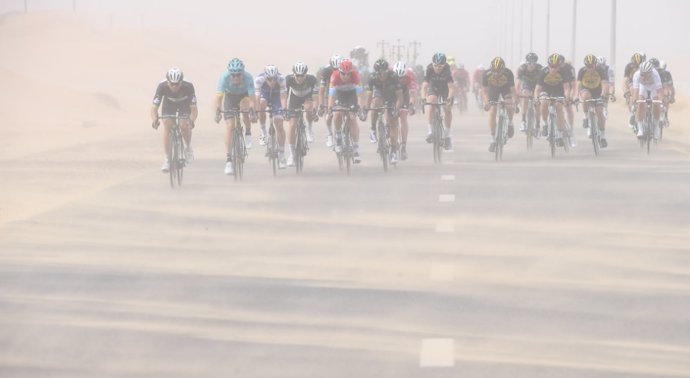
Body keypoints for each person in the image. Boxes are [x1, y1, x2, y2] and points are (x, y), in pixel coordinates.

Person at [214, 58, 257, 175]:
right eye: (233, 75)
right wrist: (217, 111)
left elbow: (253, 98)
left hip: (244, 96)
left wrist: (252, 110)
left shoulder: (248, 77)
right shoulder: (224, 78)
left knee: (245, 109)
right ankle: (229, 160)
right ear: (230, 74)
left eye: (238, 75)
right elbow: (218, 98)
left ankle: (248, 132)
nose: (236, 78)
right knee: (230, 126)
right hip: (230, 97)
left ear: (242, 73)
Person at [151, 67, 198, 172]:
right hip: (169, 103)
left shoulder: (188, 86)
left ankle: (188, 148)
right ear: (168, 81)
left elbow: (194, 110)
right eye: (172, 83)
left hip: (184, 103)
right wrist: (155, 119)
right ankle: (167, 159)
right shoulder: (162, 86)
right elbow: (154, 108)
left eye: (177, 83)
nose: (174, 86)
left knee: (183, 125)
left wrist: (191, 120)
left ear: (181, 81)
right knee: (167, 124)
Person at [364, 58, 403, 164]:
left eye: (384, 73)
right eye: (379, 73)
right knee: (376, 102)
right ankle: (373, 129)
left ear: (387, 71)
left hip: (391, 95)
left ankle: (394, 151)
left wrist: (396, 108)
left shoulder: (393, 76)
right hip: (379, 93)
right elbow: (368, 96)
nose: (382, 76)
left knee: (392, 122)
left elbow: (399, 96)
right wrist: (366, 110)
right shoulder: (372, 78)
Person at [328, 58, 364, 163]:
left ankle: (356, 149)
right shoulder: (334, 77)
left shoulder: (356, 76)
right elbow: (331, 96)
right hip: (340, 95)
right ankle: (338, 137)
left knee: (352, 118)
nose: (345, 76)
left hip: (352, 95)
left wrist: (360, 107)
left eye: (348, 74)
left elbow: (360, 95)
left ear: (351, 73)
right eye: (343, 74)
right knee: (337, 113)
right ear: (339, 72)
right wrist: (330, 108)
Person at [285, 62, 319, 166]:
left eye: (302, 76)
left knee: (309, 108)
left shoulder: (312, 79)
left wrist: (314, 110)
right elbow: (284, 96)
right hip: (294, 99)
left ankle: (309, 129)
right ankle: (292, 154)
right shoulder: (288, 79)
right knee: (292, 125)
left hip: (307, 97)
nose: (299, 78)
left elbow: (316, 98)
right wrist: (285, 110)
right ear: (294, 74)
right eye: (297, 76)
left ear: (306, 74)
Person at [534, 53, 573, 145]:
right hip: (545, 89)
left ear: (559, 67)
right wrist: (536, 98)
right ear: (548, 65)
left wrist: (567, 98)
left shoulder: (564, 72)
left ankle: (559, 133)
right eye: (551, 66)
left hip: (558, 90)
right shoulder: (543, 72)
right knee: (544, 102)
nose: (553, 69)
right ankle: (545, 124)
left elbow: (567, 88)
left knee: (559, 106)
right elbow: (537, 89)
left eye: (555, 67)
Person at [255, 64, 287, 168]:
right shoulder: (259, 80)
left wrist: (284, 110)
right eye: (269, 79)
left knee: (279, 124)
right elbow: (257, 97)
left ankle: (282, 155)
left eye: (274, 79)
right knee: (261, 105)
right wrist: (256, 111)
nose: (272, 81)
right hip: (264, 95)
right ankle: (263, 132)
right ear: (265, 77)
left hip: (277, 98)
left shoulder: (281, 79)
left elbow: (283, 97)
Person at [482, 57, 517, 152]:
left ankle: (510, 122)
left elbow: (513, 90)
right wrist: (487, 103)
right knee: (492, 111)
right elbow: (484, 91)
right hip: (493, 89)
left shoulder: (508, 73)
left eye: (499, 71)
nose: (496, 74)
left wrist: (515, 103)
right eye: (494, 71)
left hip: (505, 89)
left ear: (503, 69)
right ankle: (493, 139)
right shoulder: (486, 74)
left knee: (509, 105)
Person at [421, 52, 455, 150]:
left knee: (447, 109)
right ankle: (430, 132)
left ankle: (447, 136)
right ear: (432, 64)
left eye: (440, 66)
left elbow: (451, 88)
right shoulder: (429, 69)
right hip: (434, 86)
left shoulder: (447, 70)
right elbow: (424, 87)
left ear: (444, 65)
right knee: (431, 101)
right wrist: (423, 98)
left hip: (445, 88)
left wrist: (449, 98)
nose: (438, 68)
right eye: (436, 65)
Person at [577, 54, 610, 148]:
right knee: (586, 97)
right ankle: (585, 116)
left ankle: (602, 137)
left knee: (600, 112)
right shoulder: (582, 71)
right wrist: (576, 96)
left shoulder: (600, 70)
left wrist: (603, 95)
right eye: (588, 66)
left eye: (592, 66)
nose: (590, 69)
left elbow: (604, 84)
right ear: (585, 66)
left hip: (597, 90)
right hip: (585, 89)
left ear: (595, 65)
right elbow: (578, 84)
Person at [631, 60, 664, 139]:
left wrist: (661, 102)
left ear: (650, 72)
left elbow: (659, 90)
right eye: (643, 74)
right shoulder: (636, 75)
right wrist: (634, 102)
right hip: (643, 87)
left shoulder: (655, 74)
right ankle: (640, 129)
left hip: (653, 88)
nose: (644, 76)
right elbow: (635, 90)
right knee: (640, 104)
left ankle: (656, 128)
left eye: (646, 74)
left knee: (656, 104)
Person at [394, 61, 418, 161]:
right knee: (392, 118)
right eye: (398, 78)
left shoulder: (410, 76)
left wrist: (411, 105)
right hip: (392, 93)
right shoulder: (390, 75)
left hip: (404, 94)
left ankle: (403, 145)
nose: (401, 79)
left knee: (403, 117)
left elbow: (412, 95)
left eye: (402, 77)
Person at [317, 55, 342, 148]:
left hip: (342, 92)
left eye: (338, 69)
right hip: (330, 92)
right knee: (329, 116)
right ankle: (329, 134)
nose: (336, 71)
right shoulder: (326, 71)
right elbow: (321, 92)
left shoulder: (346, 70)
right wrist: (321, 105)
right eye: (334, 68)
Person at [515, 52, 543, 133]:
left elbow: (543, 84)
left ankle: (537, 125)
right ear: (526, 62)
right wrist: (517, 95)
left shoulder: (540, 69)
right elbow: (518, 84)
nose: (531, 65)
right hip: (526, 84)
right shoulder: (522, 69)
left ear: (536, 63)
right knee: (525, 95)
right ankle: (523, 120)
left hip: (537, 85)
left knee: (537, 104)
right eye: (529, 63)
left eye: (534, 63)